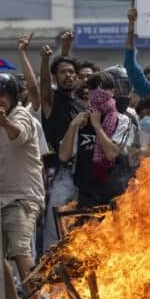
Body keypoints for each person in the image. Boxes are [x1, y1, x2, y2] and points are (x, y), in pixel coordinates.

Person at [0, 73, 43, 299]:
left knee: (20, 251)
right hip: (1, 198)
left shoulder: (20, 115)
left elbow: (19, 136)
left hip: (22, 197)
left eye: (2, 95)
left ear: (13, 97)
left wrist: (5, 123)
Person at [59, 72, 133, 209]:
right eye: (93, 89)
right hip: (85, 195)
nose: (98, 94)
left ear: (112, 92)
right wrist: (73, 125)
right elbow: (64, 156)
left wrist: (97, 126)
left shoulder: (122, 120)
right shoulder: (81, 120)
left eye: (102, 88)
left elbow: (111, 154)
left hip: (114, 195)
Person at [39, 45, 85, 251]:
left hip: (82, 174)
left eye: (72, 72)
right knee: (55, 233)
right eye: (63, 72)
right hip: (59, 173)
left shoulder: (83, 106)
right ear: (55, 77)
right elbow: (43, 86)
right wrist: (44, 60)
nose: (69, 76)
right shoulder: (52, 101)